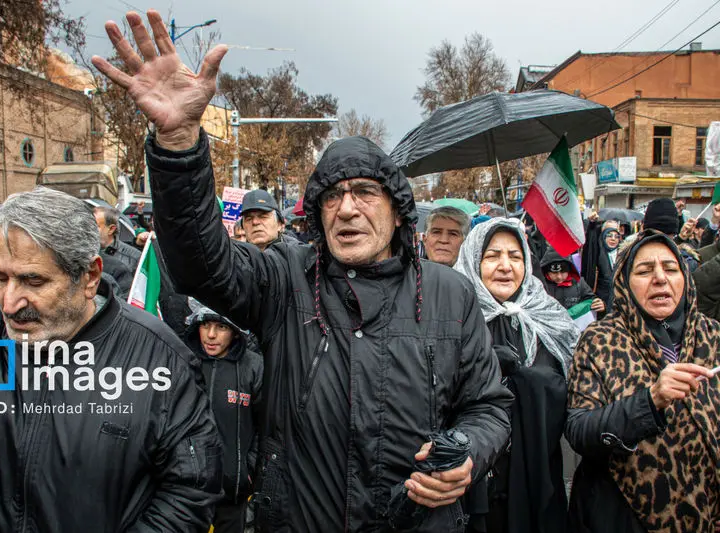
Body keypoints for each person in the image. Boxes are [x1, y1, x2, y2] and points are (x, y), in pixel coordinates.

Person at [92, 12, 513, 531]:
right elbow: (201, 265)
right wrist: (179, 146)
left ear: (398, 210)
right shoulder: (286, 278)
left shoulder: (451, 295)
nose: (347, 208)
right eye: (333, 196)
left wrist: (468, 452)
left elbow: (489, 406)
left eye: (364, 192)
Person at [0, 187, 222, 531]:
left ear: (89, 277)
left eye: (33, 280)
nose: (9, 303)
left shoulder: (160, 359)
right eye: (0, 277)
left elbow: (190, 492)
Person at [566, 230, 720, 533]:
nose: (660, 278)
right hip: (622, 516)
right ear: (624, 282)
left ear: (685, 279)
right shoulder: (600, 341)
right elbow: (580, 430)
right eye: (645, 270)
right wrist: (650, 401)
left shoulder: (712, 336)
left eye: (671, 268)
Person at [455, 218, 579, 533]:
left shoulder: (547, 316)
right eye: (493, 255)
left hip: (537, 476)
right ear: (473, 259)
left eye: (515, 256)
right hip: (473, 483)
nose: (505, 266)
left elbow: (572, 388)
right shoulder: (451, 317)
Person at [185, 304, 263, 533]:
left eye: (221, 327)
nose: (211, 335)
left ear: (235, 331)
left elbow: (265, 424)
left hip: (234, 492)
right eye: (205, 325)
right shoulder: (184, 362)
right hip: (188, 492)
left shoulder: (254, 367)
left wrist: (249, 470)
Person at [540, 246, 605, 314]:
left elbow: (591, 299)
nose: (559, 277)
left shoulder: (579, 283)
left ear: (569, 270)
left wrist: (600, 305)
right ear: (546, 271)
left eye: (563, 272)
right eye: (554, 273)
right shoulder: (540, 285)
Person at [93, 206, 141, 270]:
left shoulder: (134, 257)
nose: (88, 229)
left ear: (111, 229)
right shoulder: (82, 250)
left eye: (94, 225)